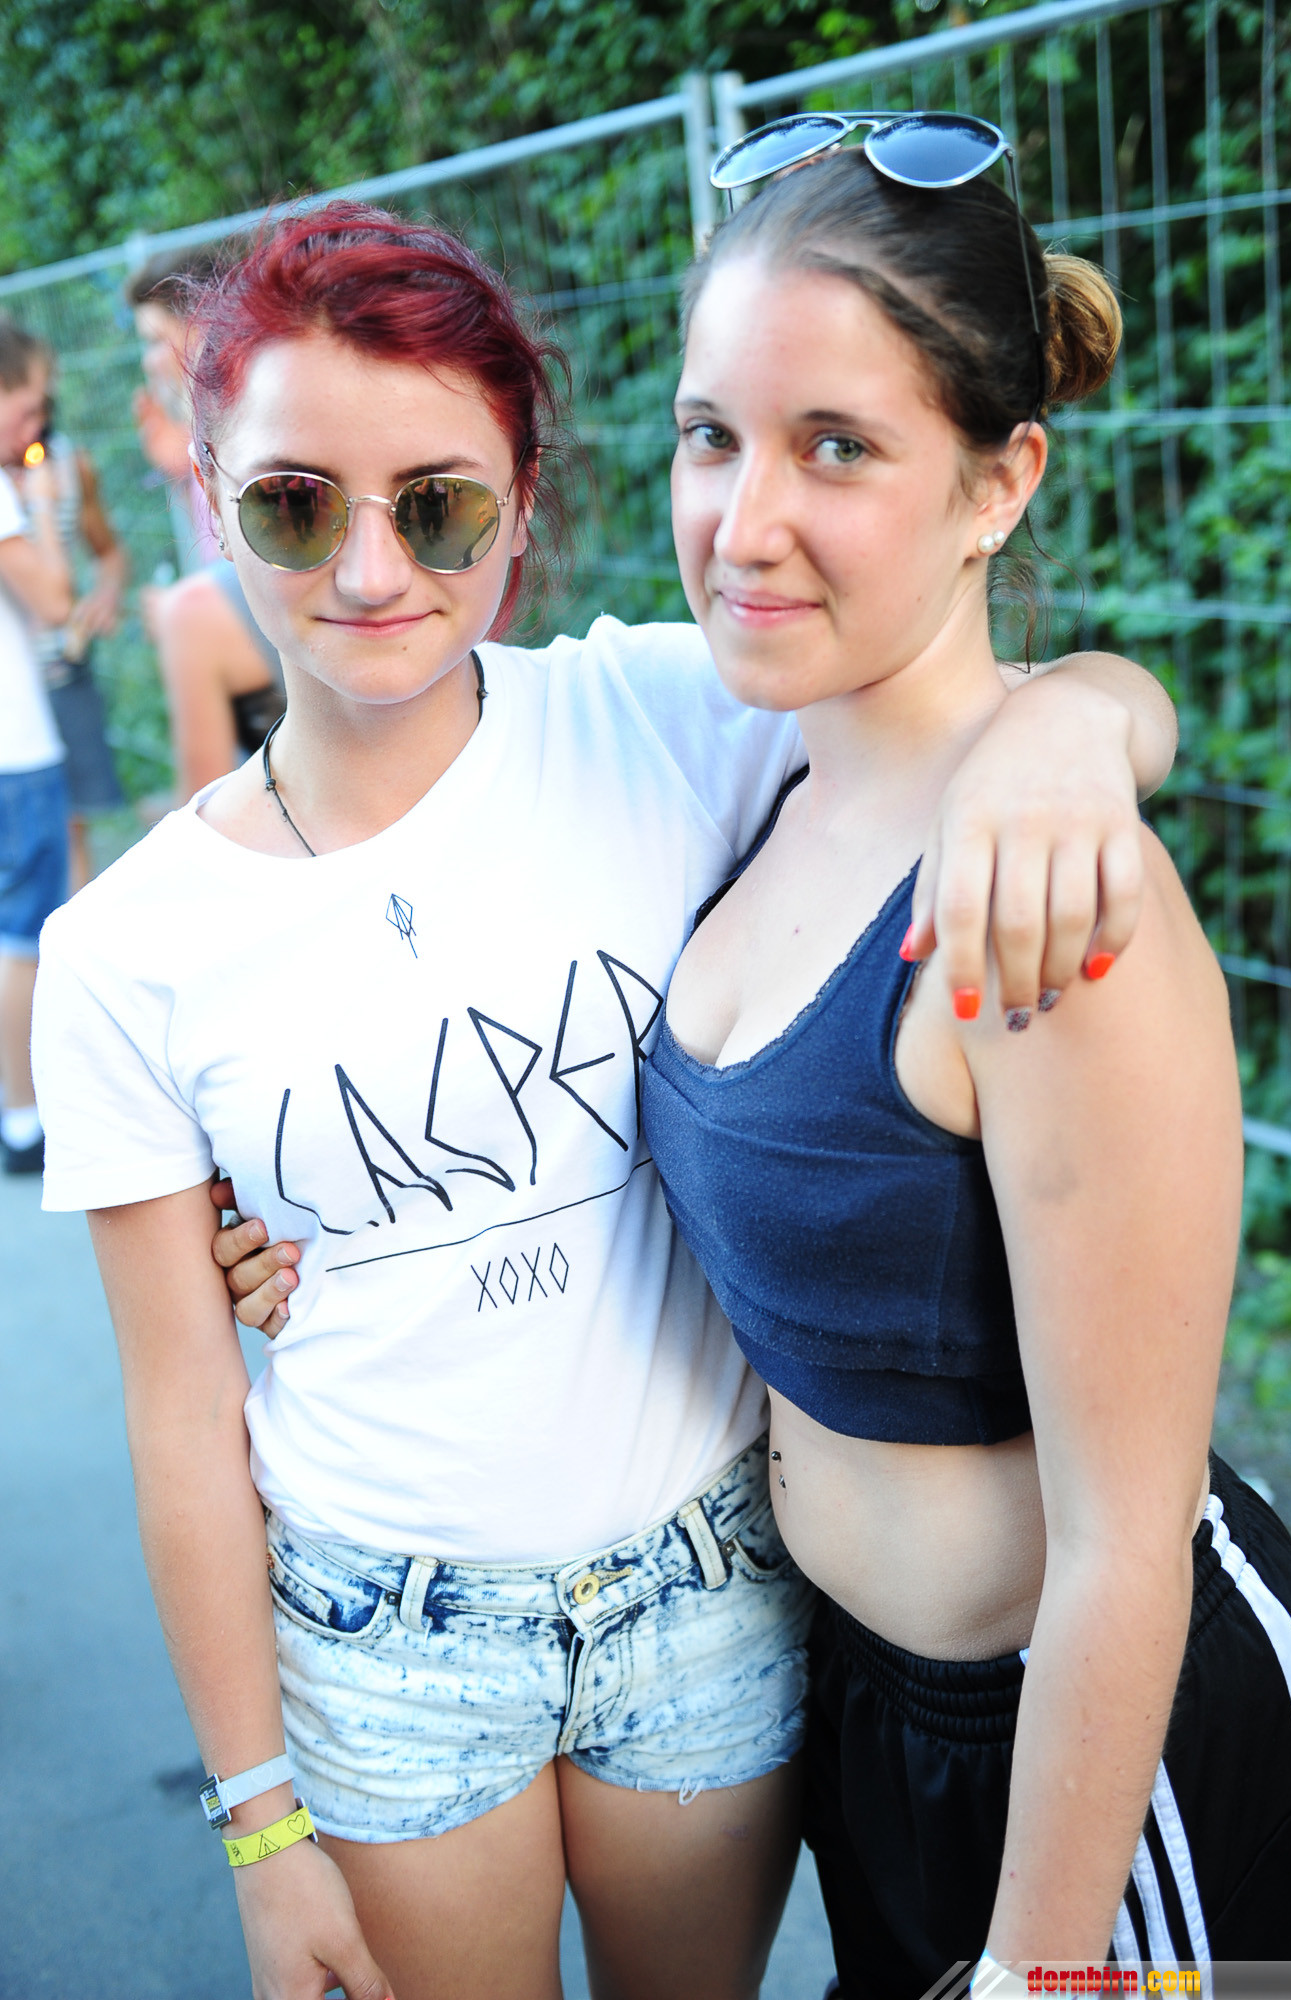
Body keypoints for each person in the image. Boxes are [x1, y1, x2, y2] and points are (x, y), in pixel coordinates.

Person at [33, 203, 1176, 2000]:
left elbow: (954, 698)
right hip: (391, 1637)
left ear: (522, 503)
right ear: (206, 492)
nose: (370, 568)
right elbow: (180, 1418)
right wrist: (255, 1818)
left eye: (438, 505)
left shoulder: (659, 715)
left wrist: (1080, 719)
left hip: (704, 1592)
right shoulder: (125, 952)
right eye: (293, 505)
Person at [631, 138, 1291, 1990]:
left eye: (835, 447)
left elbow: (1123, 1545)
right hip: (867, 1715)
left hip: (1099, 1747)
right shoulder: (758, 773)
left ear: (998, 483)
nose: (742, 520)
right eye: (711, 435)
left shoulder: (1055, 904)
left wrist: (1041, 1970)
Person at [128, 245, 286, 795]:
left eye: (155, 340)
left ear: (200, 323)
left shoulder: (242, 421)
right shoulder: (201, 423)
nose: (149, 361)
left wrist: (185, 610)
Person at [0, 316, 73, 1173]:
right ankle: (24, 1121)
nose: (36, 425)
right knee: (23, 935)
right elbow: (54, 601)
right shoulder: (5, 492)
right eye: (27, 405)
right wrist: (44, 506)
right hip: (15, 748)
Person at [15, 395, 129, 891]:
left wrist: (106, 594)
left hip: (63, 664)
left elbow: (109, 552)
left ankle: (66, 925)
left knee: (71, 820)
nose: (32, 425)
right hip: (14, 681)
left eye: (39, 409)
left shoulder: (67, 462)